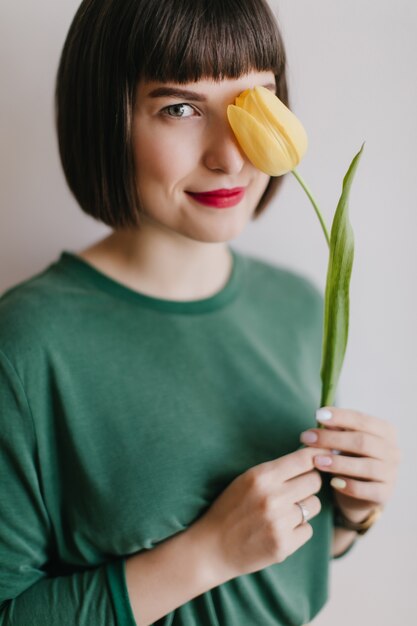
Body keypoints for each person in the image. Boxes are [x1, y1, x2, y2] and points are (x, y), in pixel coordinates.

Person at [0, 1, 400, 625]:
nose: (231, 156)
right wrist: (208, 553)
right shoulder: (25, 347)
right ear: (105, 118)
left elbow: (279, 575)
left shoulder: (299, 307)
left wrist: (351, 514)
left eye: (255, 101)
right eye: (180, 108)